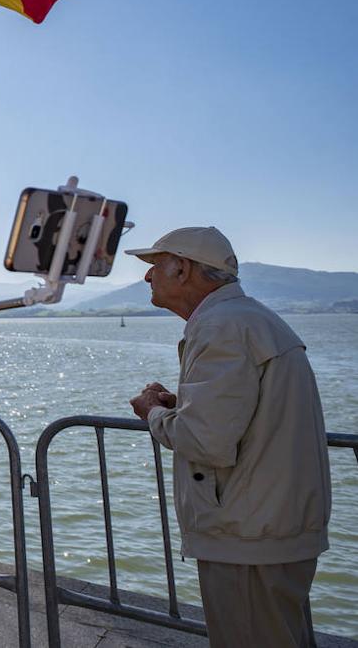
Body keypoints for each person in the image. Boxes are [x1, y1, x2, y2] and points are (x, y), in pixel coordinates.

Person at [125, 227, 330, 647]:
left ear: (182, 268)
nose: (148, 278)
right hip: (272, 524)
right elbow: (245, 412)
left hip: (248, 534)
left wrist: (154, 413)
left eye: (155, 266)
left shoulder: (220, 327)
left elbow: (206, 441)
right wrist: (183, 403)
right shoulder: (249, 319)